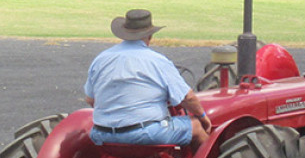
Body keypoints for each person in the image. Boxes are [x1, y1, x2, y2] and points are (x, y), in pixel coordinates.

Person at [84, 10, 210, 148]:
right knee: (196, 126)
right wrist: (203, 116)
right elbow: (188, 98)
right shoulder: (157, 61)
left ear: (124, 33)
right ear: (150, 36)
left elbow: (91, 100)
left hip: (102, 135)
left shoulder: (101, 59)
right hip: (143, 134)